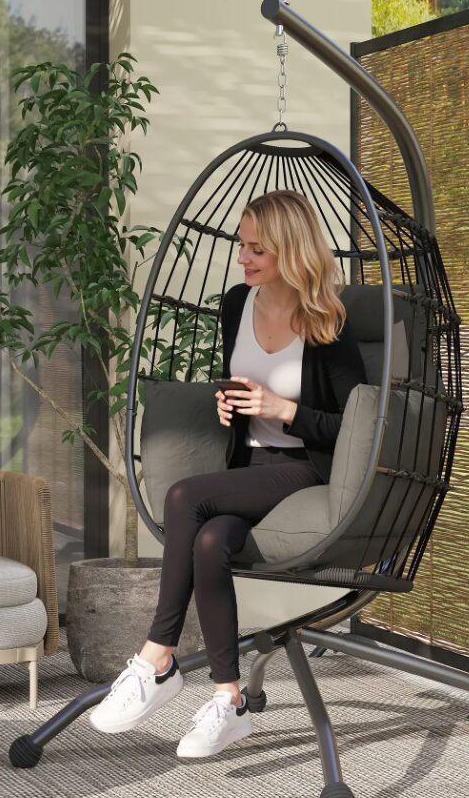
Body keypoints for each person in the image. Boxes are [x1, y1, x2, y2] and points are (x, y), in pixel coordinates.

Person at [89, 189, 367, 757]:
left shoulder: (327, 323)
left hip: (304, 471)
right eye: (243, 246)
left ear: (290, 249)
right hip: (249, 469)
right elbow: (240, 382)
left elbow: (359, 426)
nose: (243, 257)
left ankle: (156, 658)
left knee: (185, 496)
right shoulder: (239, 304)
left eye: (257, 249)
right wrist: (230, 404)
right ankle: (229, 700)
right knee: (211, 541)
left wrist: (283, 410)